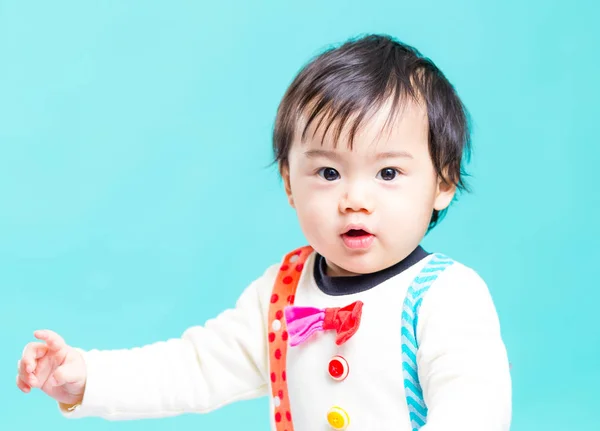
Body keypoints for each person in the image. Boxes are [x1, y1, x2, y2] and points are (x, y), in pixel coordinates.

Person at [16, 34, 511, 430]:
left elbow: (475, 409)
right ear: (290, 185)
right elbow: (194, 368)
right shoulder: (281, 292)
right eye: (329, 173)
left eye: (387, 174)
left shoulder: (447, 295)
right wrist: (87, 377)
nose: (354, 199)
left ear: (442, 184)